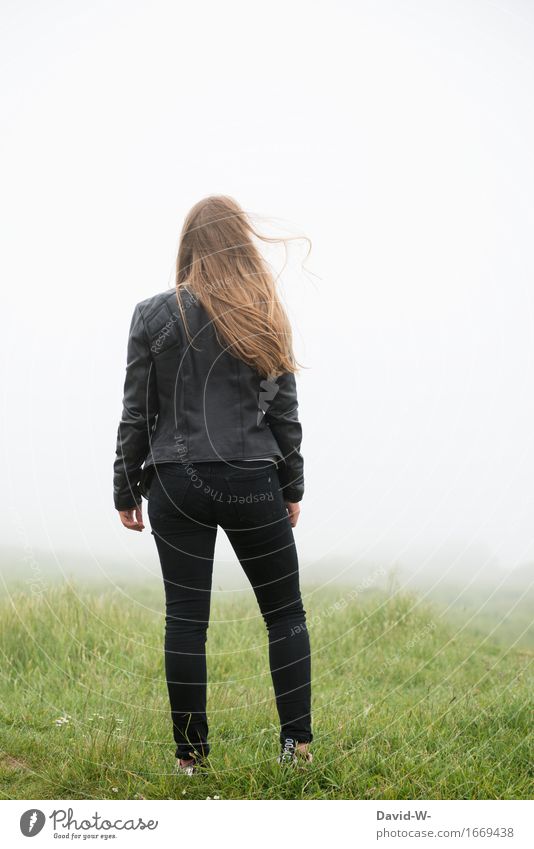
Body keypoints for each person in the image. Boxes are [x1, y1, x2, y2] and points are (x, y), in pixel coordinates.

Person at [113, 195, 312, 773]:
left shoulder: (152, 315)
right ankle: (295, 749)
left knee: (185, 621)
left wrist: (126, 487)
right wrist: (291, 485)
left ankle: (191, 761)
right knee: (285, 615)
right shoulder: (263, 312)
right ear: (241, 244)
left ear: (188, 247)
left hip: (176, 483)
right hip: (254, 479)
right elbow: (285, 412)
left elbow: (136, 413)